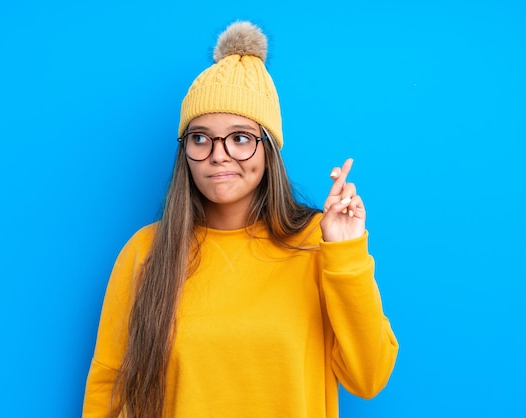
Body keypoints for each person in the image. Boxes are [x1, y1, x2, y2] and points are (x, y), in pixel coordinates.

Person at [82, 20, 398, 418]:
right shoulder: (146, 251)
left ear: (269, 148)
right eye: (200, 138)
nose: (219, 154)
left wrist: (345, 253)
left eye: (241, 137)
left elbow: (368, 378)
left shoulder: (319, 244)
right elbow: (108, 389)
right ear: (185, 151)